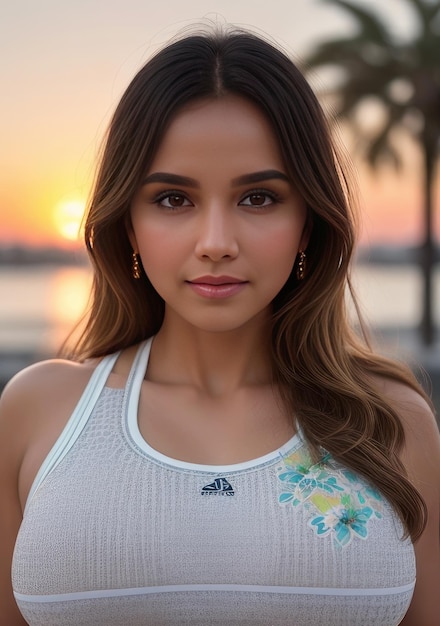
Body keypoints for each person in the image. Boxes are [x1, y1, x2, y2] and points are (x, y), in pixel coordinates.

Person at [0, 26, 439, 626]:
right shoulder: (36, 414)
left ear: (308, 221)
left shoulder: (391, 423)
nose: (215, 244)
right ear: (127, 223)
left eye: (258, 198)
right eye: (173, 200)